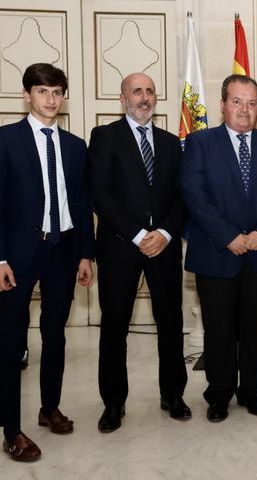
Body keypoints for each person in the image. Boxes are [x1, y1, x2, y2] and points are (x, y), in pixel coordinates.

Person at [0, 63, 94, 461]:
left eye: (58, 92)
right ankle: (11, 430)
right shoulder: (4, 140)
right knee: (12, 343)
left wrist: (84, 252)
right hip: (18, 255)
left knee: (56, 335)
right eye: (43, 91)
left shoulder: (75, 146)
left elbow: (81, 204)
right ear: (27, 95)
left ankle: (49, 408)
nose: (51, 99)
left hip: (63, 251)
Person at [181, 74, 257, 422]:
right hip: (216, 253)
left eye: (251, 102)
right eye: (237, 101)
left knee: (254, 329)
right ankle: (218, 396)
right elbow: (194, 196)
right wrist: (229, 236)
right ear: (222, 104)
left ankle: (251, 392)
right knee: (219, 330)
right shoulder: (199, 144)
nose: (244, 109)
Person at [87, 73, 190, 433]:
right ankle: (113, 403)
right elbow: (99, 192)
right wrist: (135, 233)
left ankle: (173, 395)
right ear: (123, 98)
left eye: (149, 91)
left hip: (163, 246)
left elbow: (182, 196)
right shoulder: (105, 137)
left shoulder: (169, 142)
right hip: (119, 247)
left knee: (171, 322)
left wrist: (162, 232)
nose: (144, 98)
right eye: (137, 91)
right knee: (114, 326)